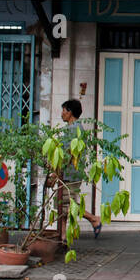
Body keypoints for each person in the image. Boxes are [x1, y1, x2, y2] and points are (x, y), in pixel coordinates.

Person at [55, 99, 102, 237]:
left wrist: (58, 171)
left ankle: (93, 219)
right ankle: (63, 235)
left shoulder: (72, 129)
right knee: (64, 204)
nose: (62, 113)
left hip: (69, 173)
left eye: (64, 110)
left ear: (70, 112)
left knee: (66, 204)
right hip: (72, 172)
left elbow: (68, 153)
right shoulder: (77, 127)